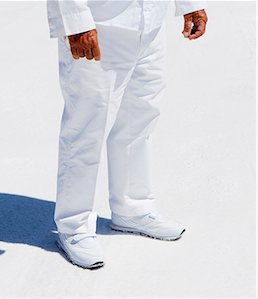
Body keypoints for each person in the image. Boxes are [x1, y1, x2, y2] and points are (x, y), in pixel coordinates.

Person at [47, 0, 208, 269]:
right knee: (87, 126)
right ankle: (74, 226)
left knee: (139, 118)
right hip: (100, 23)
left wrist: (190, 4)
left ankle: (132, 208)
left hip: (151, 21)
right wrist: (76, 23)